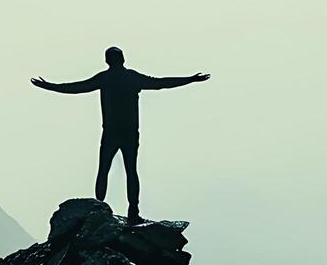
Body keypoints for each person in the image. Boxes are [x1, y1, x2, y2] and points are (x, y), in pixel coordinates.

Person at [31, 46, 209, 221]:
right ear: (123, 59)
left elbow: (76, 87)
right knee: (131, 171)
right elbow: (161, 83)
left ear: (107, 61)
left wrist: (48, 86)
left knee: (104, 169)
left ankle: (98, 208)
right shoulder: (132, 78)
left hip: (110, 133)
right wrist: (190, 79)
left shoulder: (104, 78)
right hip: (130, 133)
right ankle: (133, 211)